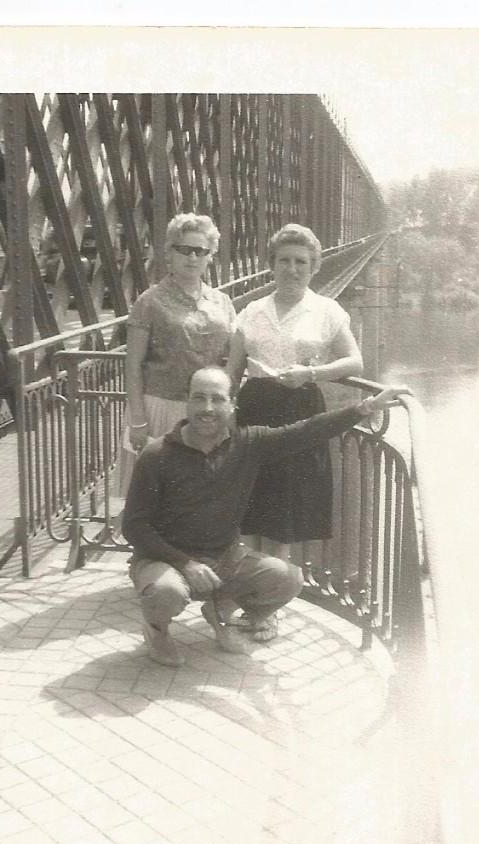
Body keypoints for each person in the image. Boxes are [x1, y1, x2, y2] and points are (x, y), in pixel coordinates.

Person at [122, 366, 408, 667]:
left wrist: (367, 406)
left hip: (223, 557)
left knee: (287, 578)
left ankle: (219, 611)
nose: (208, 409)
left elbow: (308, 430)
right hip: (165, 561)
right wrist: (186, 564)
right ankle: (157, 632)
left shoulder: (248, 444)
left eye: (217, 400)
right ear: (187, 402)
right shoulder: (157, 455)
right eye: (199, 398)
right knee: (166, 591)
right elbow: (134, 526)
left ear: (232, 405)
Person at [227, 223, 363, 560]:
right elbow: (232, 372)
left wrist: (312, 373)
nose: (292, 269)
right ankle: (254, 591)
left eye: (301, 262)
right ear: (271, 265)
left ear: (315, 267)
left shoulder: (327, 311)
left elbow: (355, 362)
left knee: (286, 510)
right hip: (255, 410)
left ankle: (269, 599)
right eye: (284, 260)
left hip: (300, 410)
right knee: (253, 504)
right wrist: (225, 414)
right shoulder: (252, 311)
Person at [117, 213, 237, 494]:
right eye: (183, 249)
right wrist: (138, 420)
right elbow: (133, 365)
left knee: (202, 493)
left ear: (210, 256)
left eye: (200, 251)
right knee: (157, 495)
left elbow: (234, 359)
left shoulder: (222, 302)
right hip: (161, 409)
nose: (192, 258)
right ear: (169, 253)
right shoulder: (149, 301)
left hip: (207, 409)